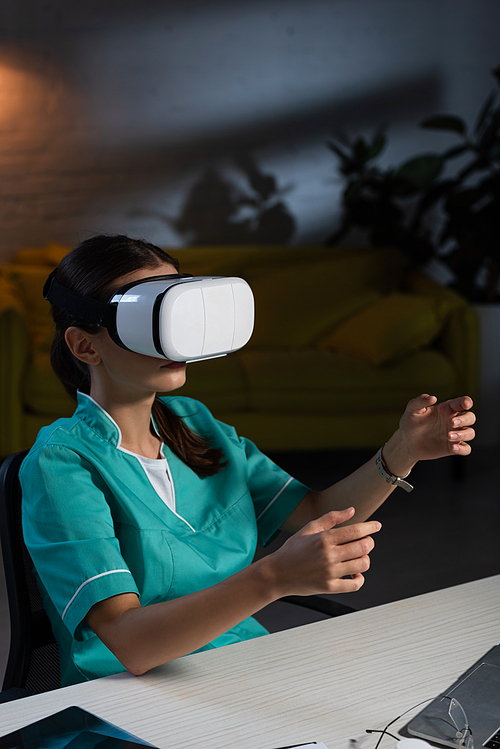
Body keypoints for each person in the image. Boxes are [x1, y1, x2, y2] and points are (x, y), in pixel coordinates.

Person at [20, 235, 476, 687]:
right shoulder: (61, 465)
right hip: (128, 703)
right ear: (85, 346)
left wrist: (403, 449)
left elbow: (316, 514)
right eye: (147, 319)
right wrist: (272, 578)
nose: (172, 342)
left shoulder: (194, 423)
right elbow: (130, 644)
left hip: (242, 668)